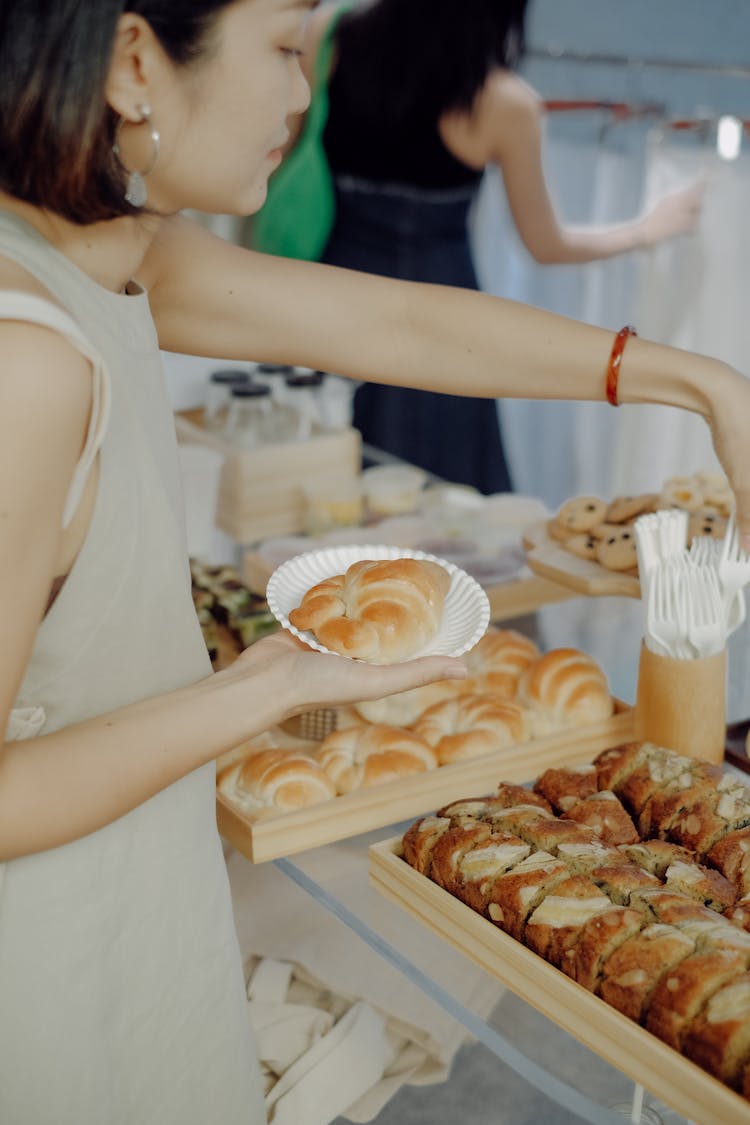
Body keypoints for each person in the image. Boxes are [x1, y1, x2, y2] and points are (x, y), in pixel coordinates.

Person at [0, 2, 748, 1123]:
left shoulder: (109, 257)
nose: (306, 95)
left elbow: (396, 326)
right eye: (289, 46)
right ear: (134, 60)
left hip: (137, 893)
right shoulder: (29, 364)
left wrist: (701, 384)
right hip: (55, 959)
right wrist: (275, 682)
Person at [253, 0, 705, 494]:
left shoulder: (330, 34)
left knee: (319, 470)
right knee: (441, 498)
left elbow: (275, 157)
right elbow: (546, 244)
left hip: (334, 287)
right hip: (443, 311)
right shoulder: (505, 103)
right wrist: (645, 230)